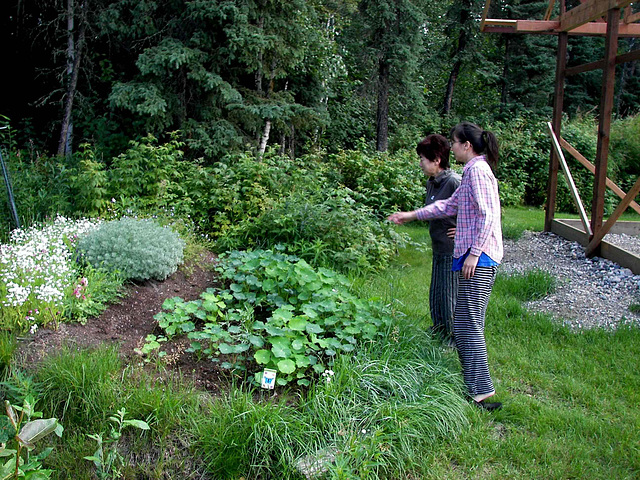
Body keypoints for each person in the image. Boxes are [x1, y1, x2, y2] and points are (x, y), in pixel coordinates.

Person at [388, 122, 503, 412]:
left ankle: (481, 393)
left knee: (468, 324)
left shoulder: (477, 171)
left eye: (454, 142)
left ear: (467, 145)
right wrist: (412, 215)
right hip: (472, 256)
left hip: (480, 258)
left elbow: (489, 216)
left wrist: (474, 254)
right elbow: (449, 206)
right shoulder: (471, 172)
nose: (450, 147)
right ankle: (477, 390)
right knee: (465, 324)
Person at [416, 135, 460, 345]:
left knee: (449, 293)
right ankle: (438, 328)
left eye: (423, 158)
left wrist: (461, 230)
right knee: (437, 291)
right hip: (438, 246)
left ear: (437, 160)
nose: (420, 162)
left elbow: (479, 210)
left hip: (453, 249)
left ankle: (452, 337)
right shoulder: (432, 183)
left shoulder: (454, 182)